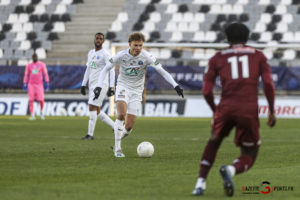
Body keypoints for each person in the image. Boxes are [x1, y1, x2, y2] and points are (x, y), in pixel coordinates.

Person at [192, 23, 276, 197]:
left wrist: (216, 110)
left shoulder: (217, 58)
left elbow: (206, 90)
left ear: (227, 38)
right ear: (247, 37)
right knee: (250, 152)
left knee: (214, 141)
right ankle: (230, 169)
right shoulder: (258, 56)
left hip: (226, 108)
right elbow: (268, 83)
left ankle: (200, 184)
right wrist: (272, 110)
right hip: (248, 109)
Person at [93, 32, 184, 157]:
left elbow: (162, 72)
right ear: (130, 44)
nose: (138, 48)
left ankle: (117, 138)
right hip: (122, 87)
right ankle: (118, 149)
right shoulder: (121, 55)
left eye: (140, 45)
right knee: (121, 114)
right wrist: (98, 86)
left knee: (129, 127)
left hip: (137, 91)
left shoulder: (147, 57)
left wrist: (175, 85)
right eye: (135, 45)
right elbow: (105, 69)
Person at [80, 32, 116, 140]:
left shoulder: (105, 54)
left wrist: (111, 86)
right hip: (92, 85)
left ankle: (90, 134)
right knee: (97, 110)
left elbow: (112, 70)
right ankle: (116, 127)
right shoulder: (90, 53)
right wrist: (83, 84)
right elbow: (88, 69)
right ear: (94, 40)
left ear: (103, 41)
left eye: (101, 39)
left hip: (101, 85)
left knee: (91, 106)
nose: (98, 40)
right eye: (97, 38)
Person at [23, 53, 49, 120]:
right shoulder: (29, 66)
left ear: (37, 57)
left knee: (41, 99)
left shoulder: (42, 64)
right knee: (31, 100)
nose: (35, 58)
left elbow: (45, 73)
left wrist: (47, 82)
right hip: (31, 84)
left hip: (39, 84)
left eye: (36, 57)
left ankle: (41, 112)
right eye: (33, 57)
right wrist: (25, 83)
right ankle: (32, 114)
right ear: (32, 58)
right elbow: (26, 74)